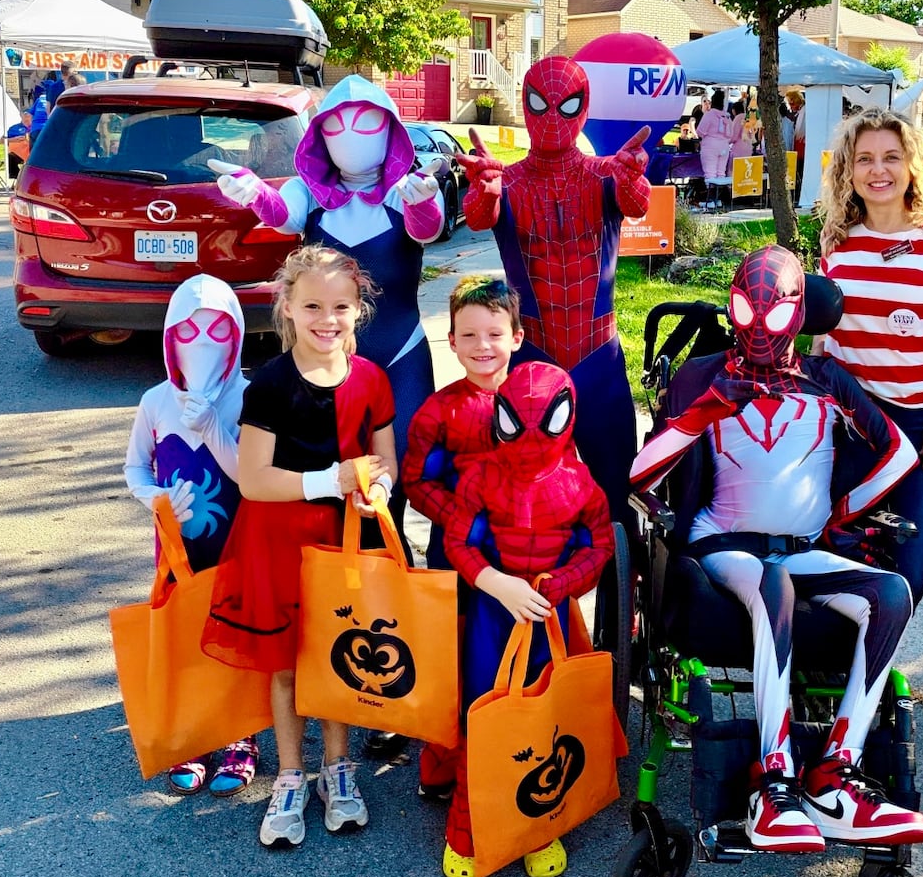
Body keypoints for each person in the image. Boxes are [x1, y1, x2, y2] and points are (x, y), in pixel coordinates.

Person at [630, 246, 923, 853]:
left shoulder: (827, 381)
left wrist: (845, 513)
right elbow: (639, 476)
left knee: (891, 593)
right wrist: (705, 410)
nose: (759, 325)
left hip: (801, 548)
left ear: (797, 314)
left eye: (773, 313)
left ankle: (833, 774)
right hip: (723, 547)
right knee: (775, 583)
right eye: (747, 308)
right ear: (736, 306)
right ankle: (774, 783)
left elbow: (899, 452)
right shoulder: (705, 379)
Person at [202, 244, 397, 847]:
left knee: (340, 655)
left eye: (341, 305)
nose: (327, 318)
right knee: (287, 663)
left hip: (347, 542)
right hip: (279, 542)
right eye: (312, 304)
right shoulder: (271, 385)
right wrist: (332, 480)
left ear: (358, 310)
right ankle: (290, 772)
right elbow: (255, 479)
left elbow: (386, 457)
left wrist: (378, 488)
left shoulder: (371, 379)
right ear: (286, 305)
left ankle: (336, 770)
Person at [209, 75, 444, 552]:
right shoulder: (310, 191)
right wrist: (253, 192)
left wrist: (423, 201)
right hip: (323, 358)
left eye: (366, 125)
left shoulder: (408, 188)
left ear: (390, 130)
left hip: (401, 355)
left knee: (398, 471)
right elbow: (281, 214)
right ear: (320, 134)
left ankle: (387, 567)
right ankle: (325, 568)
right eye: (337, 128)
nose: (352, 139)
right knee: (319, 466)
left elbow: (429, 229)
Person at [456, 55, 650, 526]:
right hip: (532, 359)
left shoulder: (607, 172)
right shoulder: (507, 180)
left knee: (617, 491)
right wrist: (483, 189)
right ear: (525, 105)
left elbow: (636, 202)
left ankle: (622, 593)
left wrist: (632, 177)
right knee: (528, 500)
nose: (552, 119)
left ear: (583, 108)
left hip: (598, 357)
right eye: (540, 105)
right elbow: (479, 215)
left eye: (566, 107)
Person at [441, 361, 614, 877]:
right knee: (483, 711)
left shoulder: (581, 485)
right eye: (520, 424)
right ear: (501, 418)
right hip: (493, 615)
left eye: (549, 422)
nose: (533, 440)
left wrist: (560, 584)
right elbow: (457, 542)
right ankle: (467, 827)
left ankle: (539, 825)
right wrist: (495, 581)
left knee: (545, 716)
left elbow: (601, 546)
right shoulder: (480, 477)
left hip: (548, 617)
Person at [812, 108, 923, 605]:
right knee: (840, 545)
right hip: (848, 421)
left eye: (892, 157)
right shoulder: (839, 241)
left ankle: (878, 655)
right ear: (848, 170)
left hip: (919, 425)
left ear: (913, 166)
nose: (878, 170)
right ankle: (840, 667)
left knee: (909, 561)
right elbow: (825, 332)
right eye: (864, 159)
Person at [124, 274, 260, 797]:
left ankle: (241, 733)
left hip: (236, 543)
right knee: (185, 631)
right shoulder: (155, 402)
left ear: (237, 337)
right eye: (189, 331)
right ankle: (195, 732)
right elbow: (134, 468)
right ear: (169, 340)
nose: (202, 343)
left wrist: (212, 429)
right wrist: (155, 498)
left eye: (217, 331)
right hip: (177, 551)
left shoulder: (249, 397)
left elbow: (248, 474)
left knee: (234, 633)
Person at [401, 276, 524, 791]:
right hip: (457, 556)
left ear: (516, 336)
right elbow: (417, 480)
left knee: (516, 653)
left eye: (494, 335)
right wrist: (462, 517)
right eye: (469, 336)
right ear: (450, 340)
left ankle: (517, 745)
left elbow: (562, 469)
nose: (482, 347)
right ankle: (448, 755)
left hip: (523, 558)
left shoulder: (537, 400)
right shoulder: (439, 410)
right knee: (454, 654)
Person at [696, 89, 736, 189]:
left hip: (710, 146)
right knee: (721, 173)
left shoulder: (709, 115)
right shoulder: (727, 116)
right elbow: (731, 134)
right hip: (724, 147)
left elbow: (700, 132)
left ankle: (710, 199)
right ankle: (719, 198)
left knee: (710, 174)